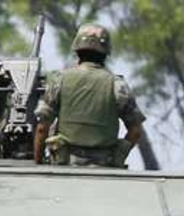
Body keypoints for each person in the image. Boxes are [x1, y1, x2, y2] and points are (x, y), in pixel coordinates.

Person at [34, 24, 145, 167]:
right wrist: (117, 158)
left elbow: (42, 128)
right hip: (104, 168)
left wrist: (38, 163)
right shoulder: (117, 85)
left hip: (64, 166)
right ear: (106, 53)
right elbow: (135, 131)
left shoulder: (59, 80)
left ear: (77, 50)